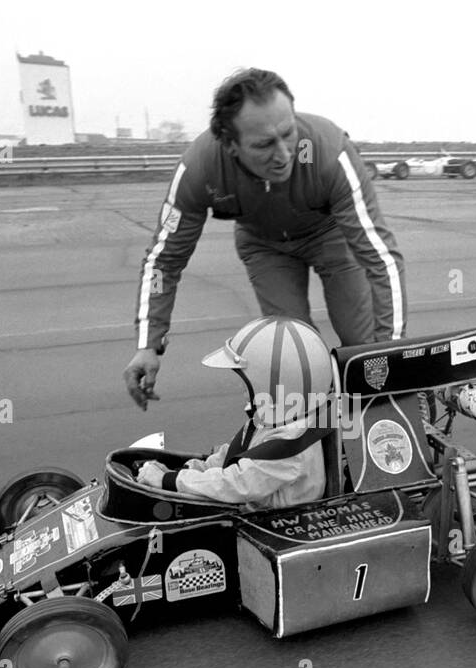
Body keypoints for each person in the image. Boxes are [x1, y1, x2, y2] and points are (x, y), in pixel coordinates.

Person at [123, 68, 406, 411]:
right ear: (230, 145)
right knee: (297, 361)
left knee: (366, 350)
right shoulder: (200, 169)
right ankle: (318, 442)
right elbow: (163, 262)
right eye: (263, 145)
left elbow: (382, 258)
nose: (284, 154)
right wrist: (147, 343)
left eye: (288, 133)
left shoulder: (327, 151)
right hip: (266, 248)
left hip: (331, 237)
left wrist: (393, 348)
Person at [135, 316, 330, 509]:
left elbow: (235, 483)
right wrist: (184, 471)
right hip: (257, 507)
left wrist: (169, 480)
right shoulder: (279, 419)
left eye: (247, 382)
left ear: (273, 385)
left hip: (276, 523)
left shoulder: (289, 445)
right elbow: (229, 457)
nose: (242, 388)